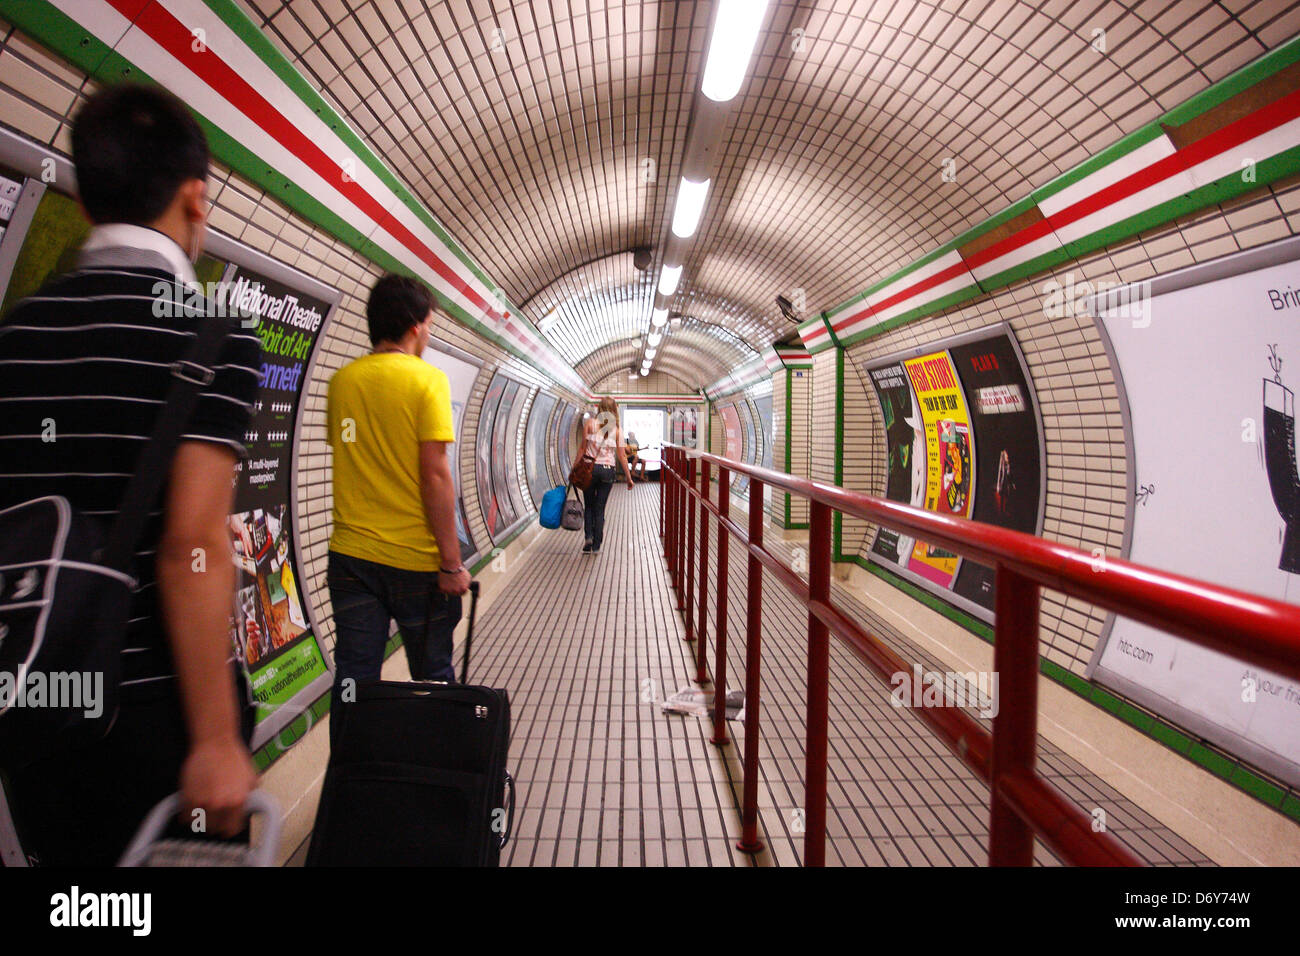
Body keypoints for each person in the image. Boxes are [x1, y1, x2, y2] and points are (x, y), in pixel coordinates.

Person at [0, 83, 260, 865]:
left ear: (83, 204)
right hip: (158, 710)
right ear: (194, 197)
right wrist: (215, 737)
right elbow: (191, 545)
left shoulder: (14, 337)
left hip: (36, 701)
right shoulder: (211, 336)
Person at [326, 274, 471, 741]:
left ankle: (351, 783)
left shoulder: (342, 383)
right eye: (429, 324)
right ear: (413, 326)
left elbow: (352, 452)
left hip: (350, 558)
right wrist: (451, 564)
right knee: (432, 676)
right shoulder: (427, 380)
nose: (428, 334)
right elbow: (434, 475)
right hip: (415, 563)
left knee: (354, 679)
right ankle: (439, 772)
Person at [580, 397, 635, 554]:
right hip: (607, 470)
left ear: (599, 408)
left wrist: (575, 469)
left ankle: (588, 537)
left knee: (589, 505)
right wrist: (629, 478)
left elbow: (582, 449)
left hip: (589, 469)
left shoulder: (590, 424)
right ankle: (597, 545)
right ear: (614, 410)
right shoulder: (617, 430)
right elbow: (622, 456)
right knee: (600, 508)